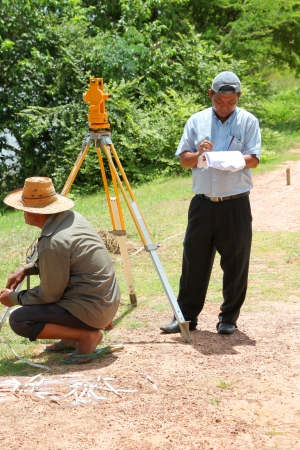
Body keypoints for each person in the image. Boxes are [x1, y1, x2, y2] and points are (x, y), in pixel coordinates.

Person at [160, 71, 261, 335]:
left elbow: (253, 158)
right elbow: (184, 160)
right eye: (219, 101)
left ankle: (228, 318)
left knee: (236, 263)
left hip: (235, 204)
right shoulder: (196, 121)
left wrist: (231, 160)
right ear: (210, 95)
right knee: (194, 261)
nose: (225, 106)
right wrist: (200, 153)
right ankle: (186, 318)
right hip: (203, 204)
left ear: (238, 97)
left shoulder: (248, 121)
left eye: (231, 102)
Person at [0, 176, 120, 363]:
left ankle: (86, 337)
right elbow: (64, 262)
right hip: (105, 303)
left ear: (33, 212)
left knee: (19, 320)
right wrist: (27, 269)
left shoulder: (53, 241)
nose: (21, 212)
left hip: (93, 309)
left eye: (23, 208)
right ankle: (71, 337)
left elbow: (49, 295)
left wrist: (13, 298)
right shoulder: (72, 218)